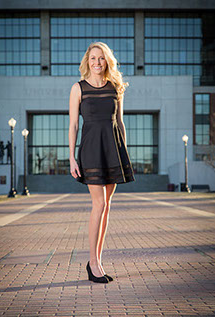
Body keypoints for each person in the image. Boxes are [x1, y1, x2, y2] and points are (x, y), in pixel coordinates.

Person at [69, 42, 135, 283]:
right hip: (91, 150)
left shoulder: (116, 87)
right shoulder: (78, 88)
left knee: (107, 205)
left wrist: (124, 154)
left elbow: (120, 122)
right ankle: (93, 262)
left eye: (101, 58)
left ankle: (97, 259)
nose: (97, 62)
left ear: (108, 61)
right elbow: (74, 125)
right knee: (98, 204)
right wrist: (71, 158)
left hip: (113, 149)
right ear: (87, 61)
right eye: (93, 58)